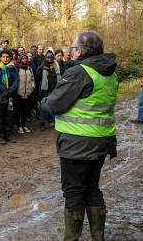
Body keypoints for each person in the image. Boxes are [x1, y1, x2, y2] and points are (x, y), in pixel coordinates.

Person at [41, 31, 118, 241]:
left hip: (77, 144)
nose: (71, 51)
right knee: (92, 188)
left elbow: (56, 103)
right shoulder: (109, 73)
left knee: (74, 191)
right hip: (102, 141)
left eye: (73, 47)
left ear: (81, 51)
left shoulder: (80, 72)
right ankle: (98, 237)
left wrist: (43, 102)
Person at [0, 50, 19, 144]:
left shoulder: (13, 68)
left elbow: (16, 81)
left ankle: (7, 134)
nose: (5, 58)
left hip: (10, 96)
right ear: (0, 58)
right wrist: (4, 90)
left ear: (10, 58)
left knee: (9, 116)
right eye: (3, 57)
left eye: (7, 57)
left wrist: (9, 91)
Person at [35, 50, 58, 131]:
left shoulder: (55, 66)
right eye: (48, 57)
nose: (50, 59)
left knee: (51, 107)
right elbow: (37, 79)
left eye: (51, 57)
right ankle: (42, 123)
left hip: (52, 90)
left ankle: (52, 121)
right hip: (43, 90)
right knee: (42, 107)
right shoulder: (42, 67)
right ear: (45, 58)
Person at [16, 54, 35, 134]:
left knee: (26, 110)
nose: (24, 60)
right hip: (19, 93)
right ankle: (19, 126)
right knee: (19, 110)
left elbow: (32, 79)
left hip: (28, 93)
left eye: (26, 58)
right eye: (23, 58)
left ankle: (24, 125)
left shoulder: (29, 68)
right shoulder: (17, 68)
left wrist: (32, 87)